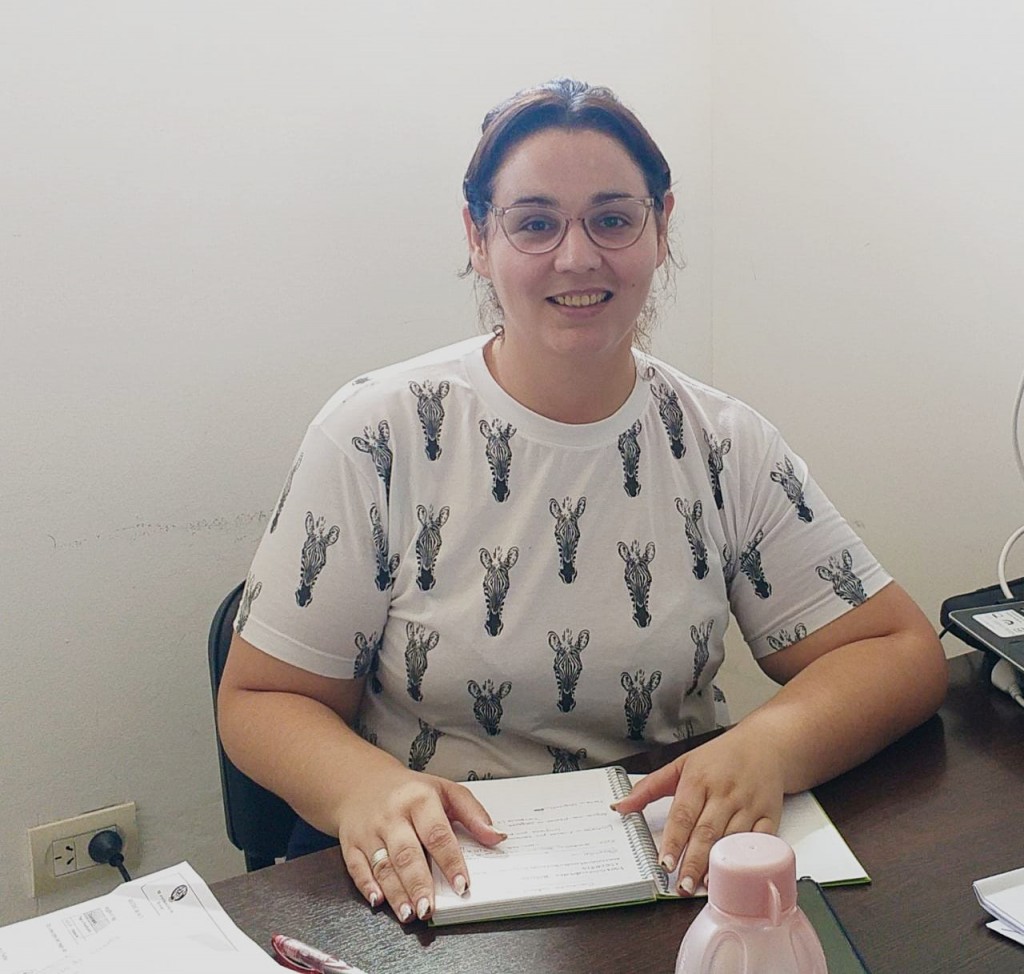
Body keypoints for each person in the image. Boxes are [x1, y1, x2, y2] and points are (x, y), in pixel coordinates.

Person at [217, 78, 947, 925]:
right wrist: (362, 788)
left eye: (612, 218)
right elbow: (261, 700)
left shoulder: (723, 442)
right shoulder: (375, 435)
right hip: (441, 885)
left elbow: (899, 650)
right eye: (535, 223)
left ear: (661, 227)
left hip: (669, 874)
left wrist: (770, 745)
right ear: (478, 238)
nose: (577, 257)